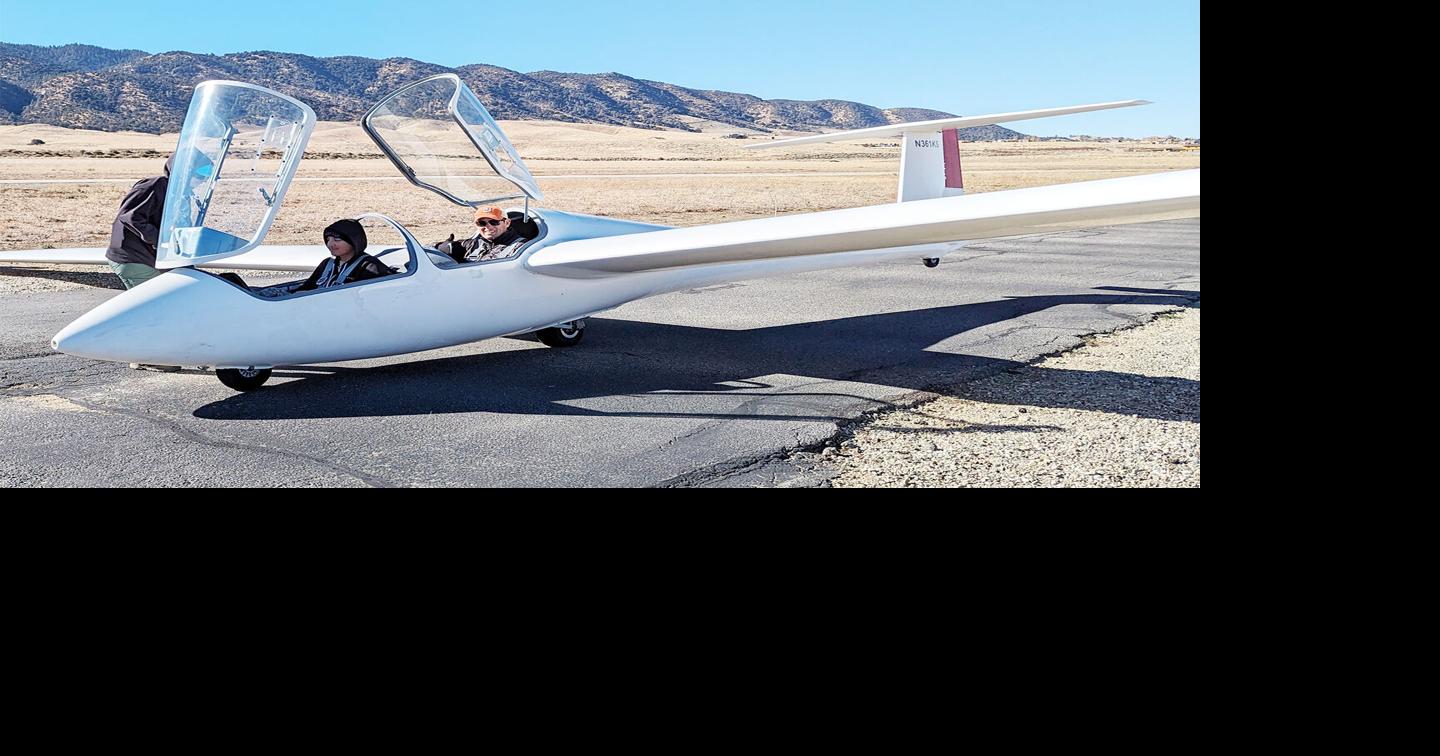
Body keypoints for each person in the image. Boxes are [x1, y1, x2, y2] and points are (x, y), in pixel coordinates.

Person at [290, 219, 395, 292]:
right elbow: (307, 287)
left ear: (354, 241)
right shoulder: (327, 264)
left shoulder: (370, 266)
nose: (330, 244)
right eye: (328, 239)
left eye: (337, 239)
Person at [434, 205, 531, 263]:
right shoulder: (473, 243)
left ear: (507, 223)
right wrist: (441, 246)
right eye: (481, 223)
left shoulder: (521, 247)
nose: (488, 227)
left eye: (494, 222)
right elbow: (434, 248)